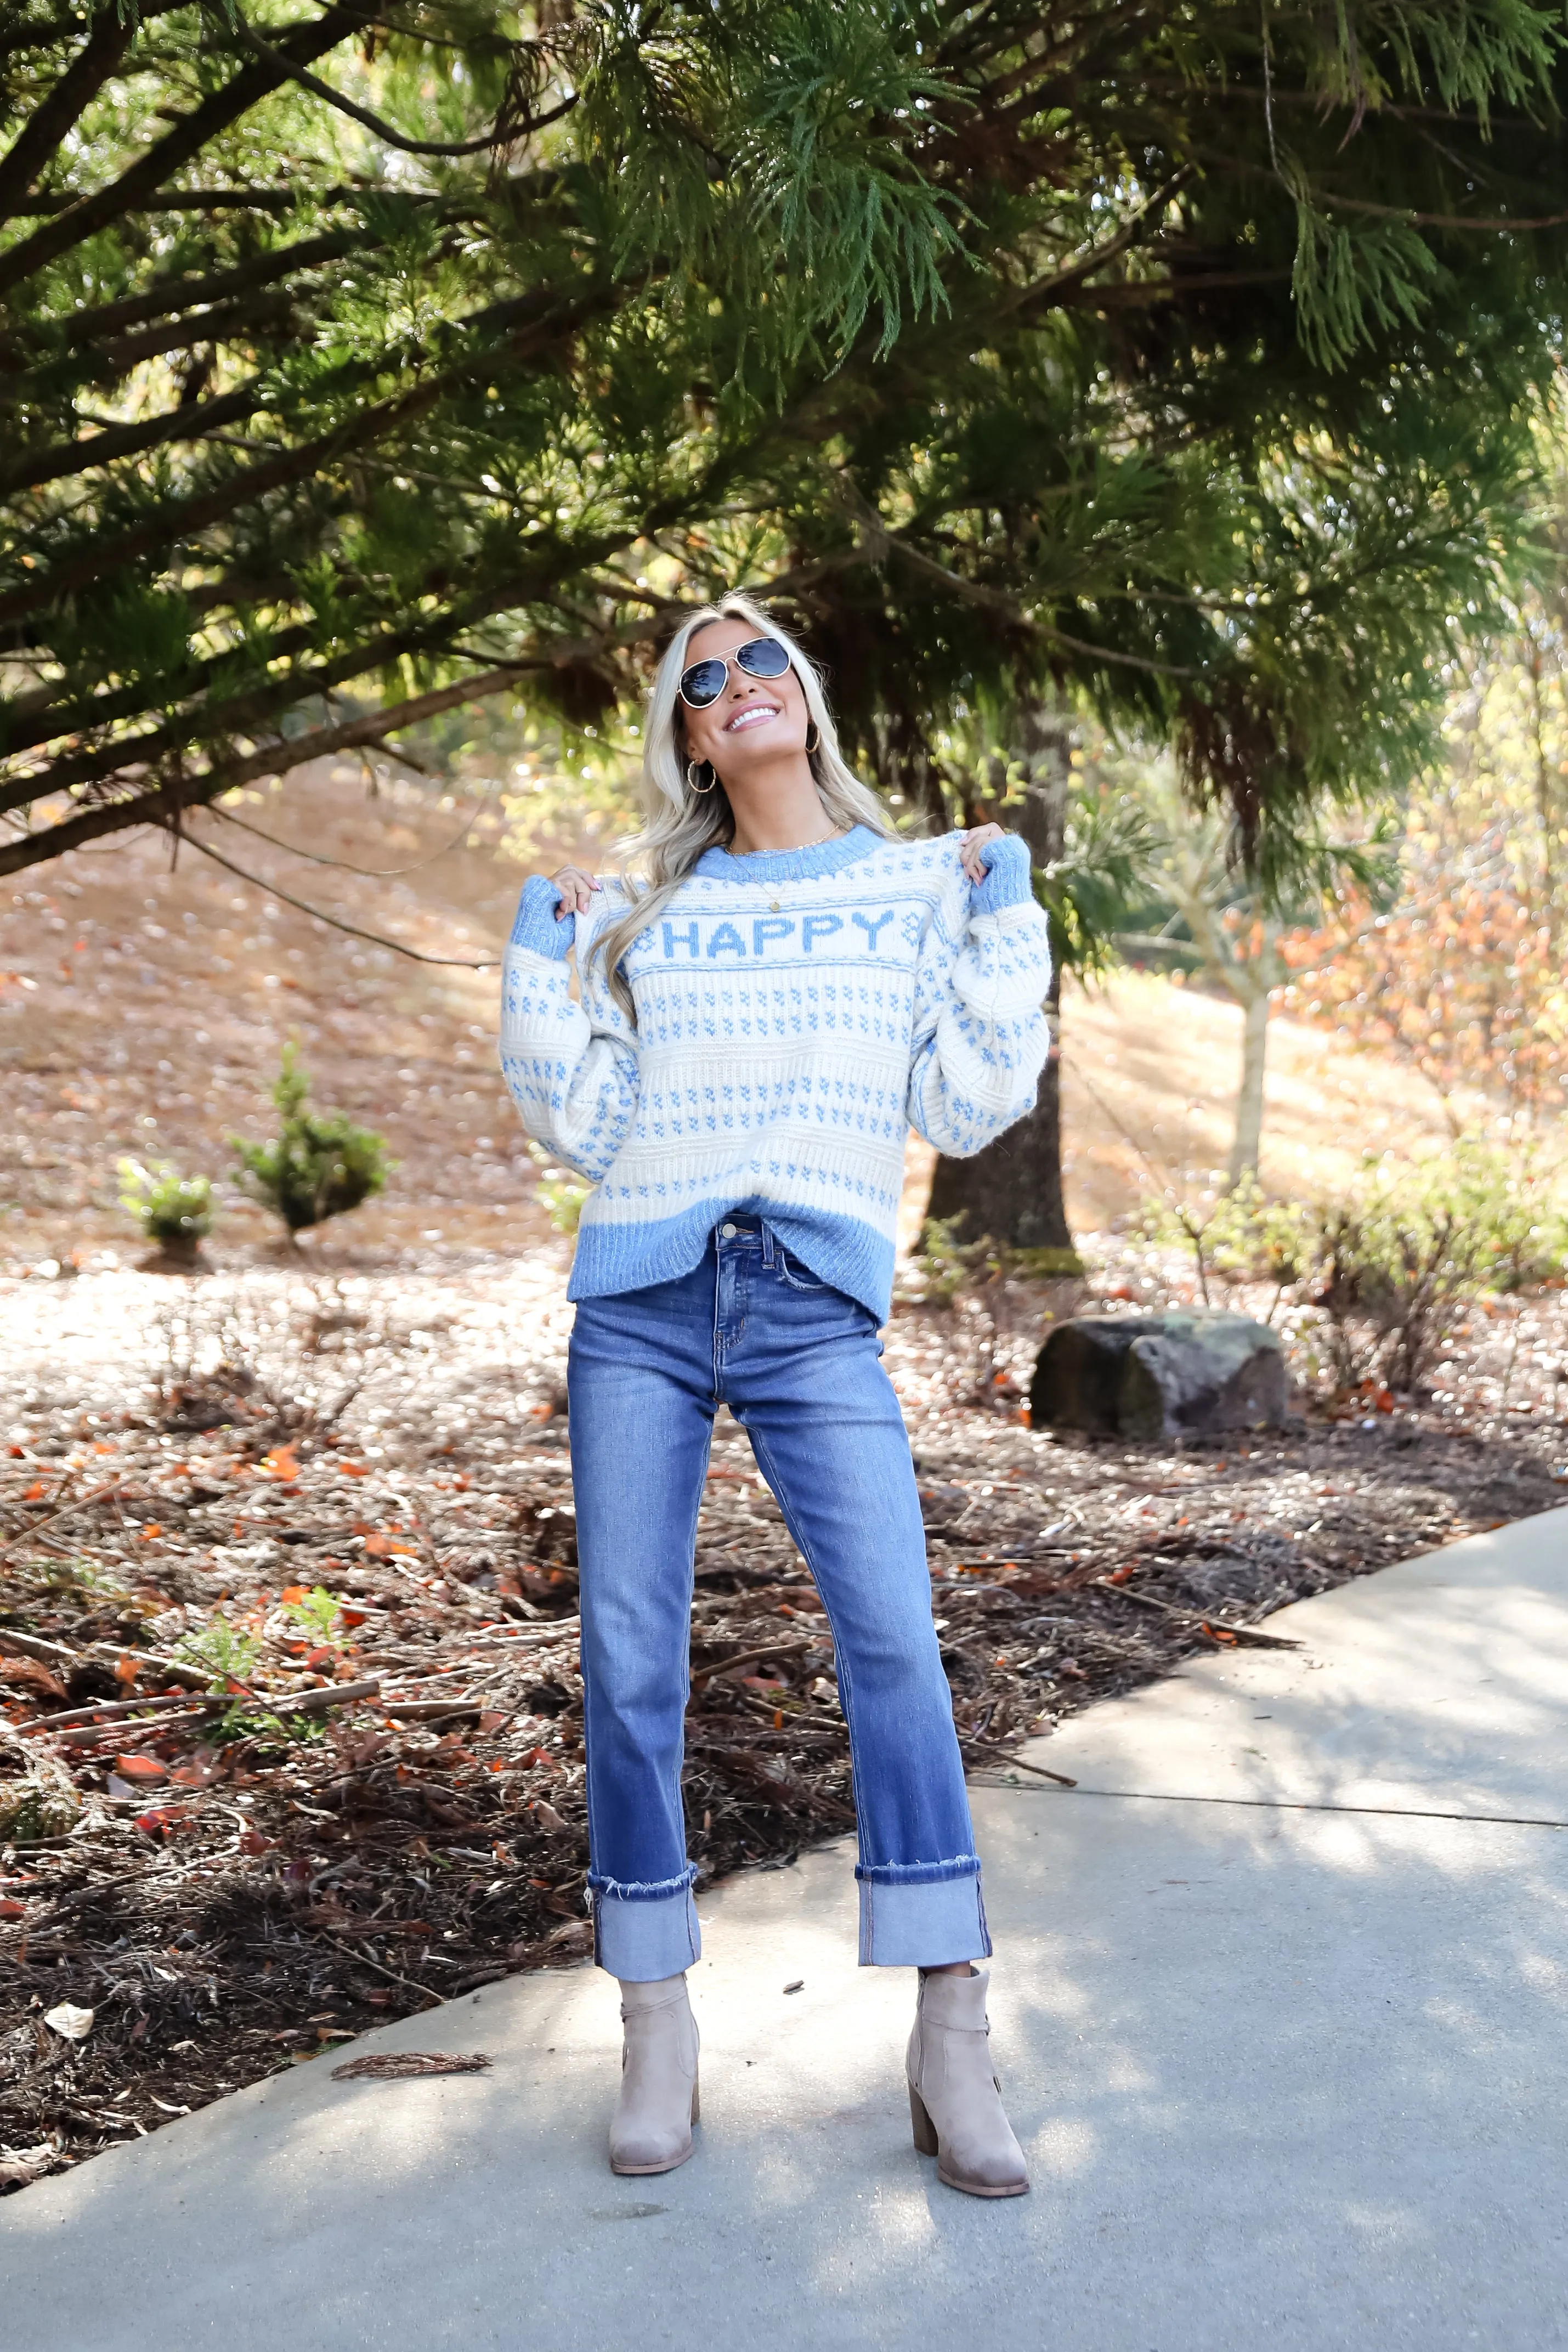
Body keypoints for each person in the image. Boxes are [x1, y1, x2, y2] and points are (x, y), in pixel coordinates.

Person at [499, 592, 1052, 2197]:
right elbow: (595, 1124)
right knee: (629, 1660)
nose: (737, 687)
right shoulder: (651, 915)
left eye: (762, 664)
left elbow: (966, 1093)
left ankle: (954, 2031)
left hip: (813, 1308)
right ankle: (656, 2018)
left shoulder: (908, 887)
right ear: (686, 731)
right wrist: (546, 962)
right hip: (646, 1301)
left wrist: (1004, 917)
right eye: (702, 679)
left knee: (890, 1637)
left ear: (805, 696)